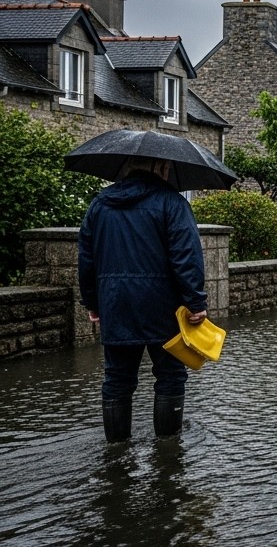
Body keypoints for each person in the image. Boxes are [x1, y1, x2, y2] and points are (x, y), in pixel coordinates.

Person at [79, 158, 208, 442]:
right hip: (164, 307)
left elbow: (87, 260)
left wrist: (92, 302)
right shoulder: (172, 204)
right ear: (157, 168)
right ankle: (168, 448)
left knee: (117, 379)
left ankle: (116, 449)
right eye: (165, 167)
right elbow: (186, 258)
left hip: (116, 304)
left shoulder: (99, 205)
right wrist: (196, 302)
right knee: (170, 376)